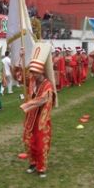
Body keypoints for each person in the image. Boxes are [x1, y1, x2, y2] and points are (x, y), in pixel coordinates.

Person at [20, 43, 57, 178]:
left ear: (41, 71)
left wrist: (27, 105)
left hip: (42, 119)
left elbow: (43, 100)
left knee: (41, 143)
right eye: (32, 72)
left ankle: (41, 167)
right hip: (31, 117)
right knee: (29, 141)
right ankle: (33, 163)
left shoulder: (47, 85)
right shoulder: (31, 80)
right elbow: (20, 77)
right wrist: (22, 58)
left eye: (35, 72)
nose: (33, 74)